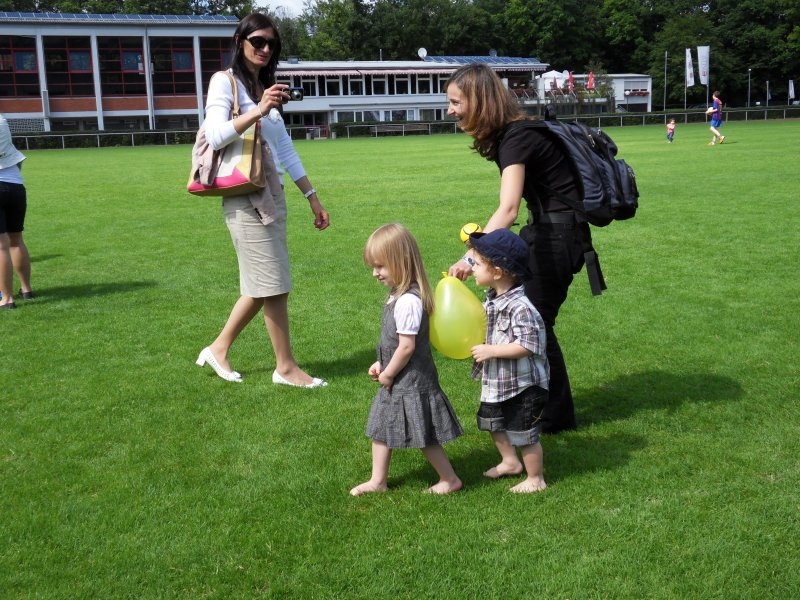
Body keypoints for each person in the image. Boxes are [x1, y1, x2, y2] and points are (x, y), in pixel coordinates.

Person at [445, 62, 592, 433]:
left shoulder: (517, 137)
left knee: (535, 323)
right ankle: (544, 408)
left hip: (557, 237)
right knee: (532, 319)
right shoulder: (515, 134)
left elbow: (508, 209)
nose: (450, 110)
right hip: (547, 232)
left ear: (479, 100)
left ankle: (554, 416)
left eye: (456, 102)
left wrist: (471, 257)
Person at [195, 12, 329, 386]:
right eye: (258, 41)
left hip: (272, 195)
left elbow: (285, 149)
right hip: (245, 197)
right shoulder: (225, 82)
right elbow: (215, 134)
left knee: (264, 283)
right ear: (240, 42)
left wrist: (312, 197)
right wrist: (259, 109)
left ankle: (218, 348)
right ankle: (285, 368)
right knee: (274, 284)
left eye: (272, 43)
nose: (265, 49)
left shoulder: (263, 87)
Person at [351, 223, 463, 496]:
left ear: (401, 261)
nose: (375, 273)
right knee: (380, 427)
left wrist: (389, 373)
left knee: (424, 434)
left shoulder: (408, 302)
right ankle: (378, 481)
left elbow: (406, 347)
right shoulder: (396, 296)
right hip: (396, 379)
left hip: (412, 382)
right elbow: (394, 345)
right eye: (373, 267)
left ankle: (449, 479)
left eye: (380, 266)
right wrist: (382, 364)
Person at [468, 229, 548, 493]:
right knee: (493, 422)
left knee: (524, 432)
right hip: (498, 381)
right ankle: (510, 462)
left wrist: (492, 351)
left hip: (522, 385)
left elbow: (529, 345)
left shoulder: (521, 307)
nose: (472, 268)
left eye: (477, 264)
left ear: (498, 271)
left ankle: (536, 478)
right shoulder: (493, 299)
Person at [0, 114, 33, 310]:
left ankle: (6, 298)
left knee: (0, 246)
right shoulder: (2, 121)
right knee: (16, 240)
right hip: (16, 187)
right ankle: (26, 289)